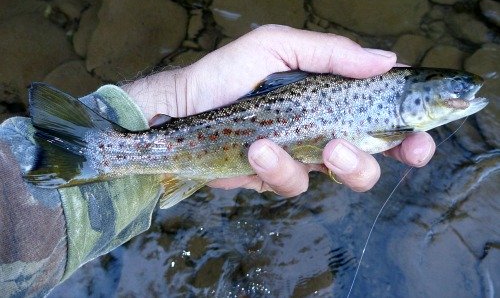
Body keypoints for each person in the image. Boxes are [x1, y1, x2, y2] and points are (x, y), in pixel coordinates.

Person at [0, 25, 435, 297]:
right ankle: (100, 151)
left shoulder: (395, 110)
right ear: (421, 97)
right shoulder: (390, 110)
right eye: (451, 90)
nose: (463, 98)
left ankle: (99, 151)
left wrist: (175, 98)